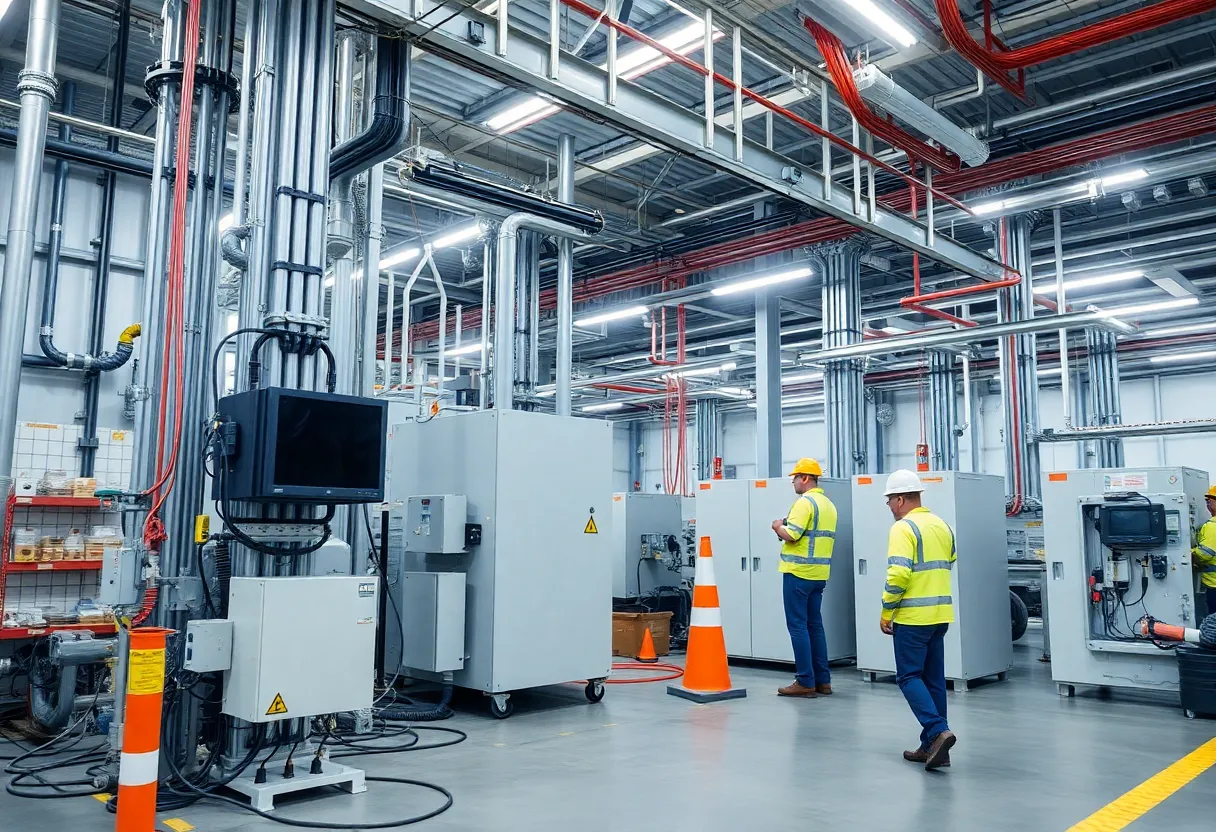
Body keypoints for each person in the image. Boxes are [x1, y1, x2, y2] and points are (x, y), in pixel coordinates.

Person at [879, 469, 957, 771]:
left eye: (889, 502)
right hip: (940, 616)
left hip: (913, 616)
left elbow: (898, 575)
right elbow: (949, 561)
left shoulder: (903, 528)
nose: (889, 507)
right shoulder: (941, 525)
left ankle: (938, 731)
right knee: (934, 680)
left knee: (909, 677)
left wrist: (888, 611)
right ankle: (934, 748)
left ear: (899, 499)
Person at [770, 458, 837, 698]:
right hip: (819, 575)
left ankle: (805, 680)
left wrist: (778, 526)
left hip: (798, 574)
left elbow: (792, 535)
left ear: (806, 478)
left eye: (795, 478)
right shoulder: (828, 505)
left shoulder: (804, 503)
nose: (793, 482)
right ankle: (823, 680)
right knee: (814, 627)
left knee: (797, 627)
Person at [1193, 485, 1216, 617]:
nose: (1208, 504)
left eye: (1210, 500)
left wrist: (1190, 554)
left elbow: (1205, 554)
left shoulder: (1212, 526)